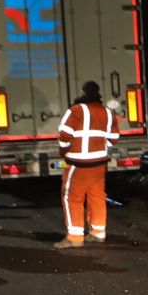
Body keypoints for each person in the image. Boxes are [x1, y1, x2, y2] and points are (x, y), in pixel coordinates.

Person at [55, 80, 117, 249]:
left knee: (71, 198)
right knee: (97, 196)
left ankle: (74, 237)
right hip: (99, 164)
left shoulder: (76, 111)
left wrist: (64, 151)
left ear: (83, 93)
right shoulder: (108, 112)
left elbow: (64, 135)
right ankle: (98, 233)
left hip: (78, 164)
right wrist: (100, 149)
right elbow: (113, 138)